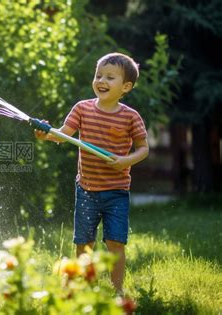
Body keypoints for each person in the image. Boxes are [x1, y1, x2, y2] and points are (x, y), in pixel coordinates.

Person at [36, 52, 149, 294]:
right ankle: (83, 289)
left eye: (110, 77)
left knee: (115, 242)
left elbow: (143, 149)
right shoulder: (82, 109)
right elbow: (63, 134)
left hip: (117, 192)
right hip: (86, 189)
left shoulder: (131, 116)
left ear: (125, 87)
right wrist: (47, 134)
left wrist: (125, 161)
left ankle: (117, 291)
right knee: (84, 243)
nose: (101, 81)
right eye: (98, 75)